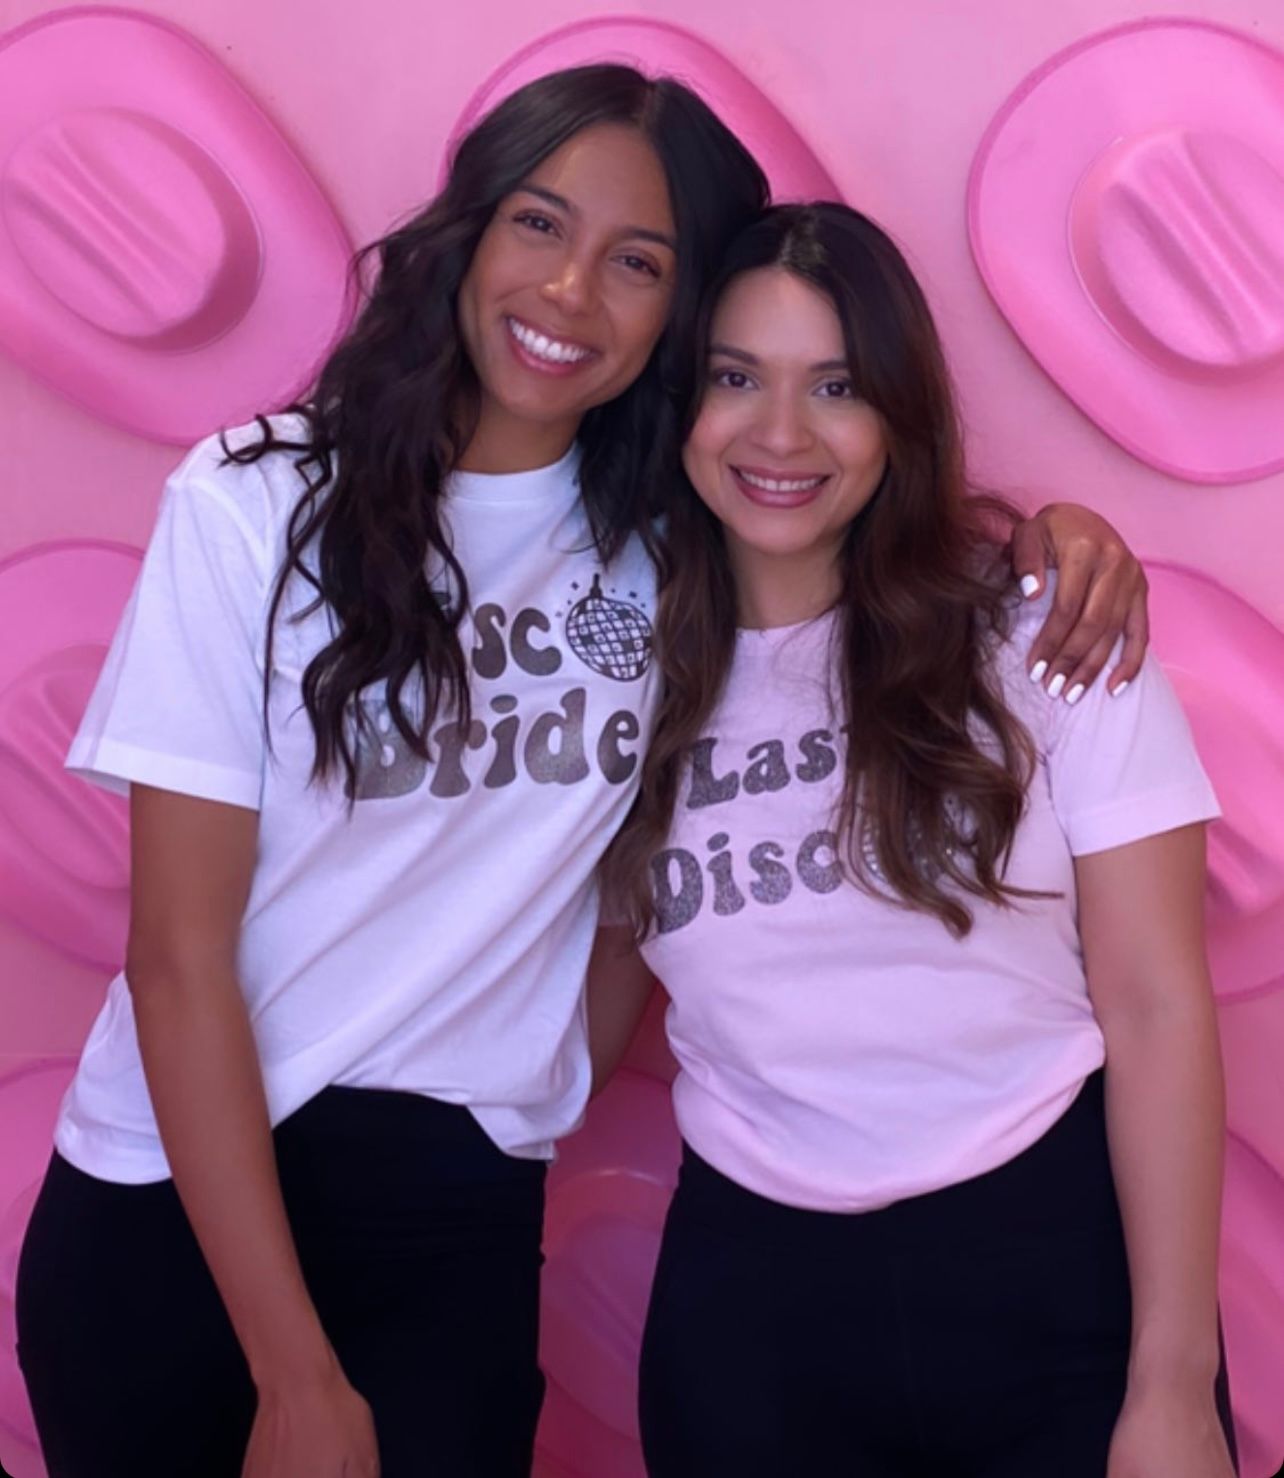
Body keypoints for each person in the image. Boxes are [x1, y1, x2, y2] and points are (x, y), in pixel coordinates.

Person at [17, 64, 1147, 1478]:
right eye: (540, 224)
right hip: (175, 1191)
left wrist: (1062, 535)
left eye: (638, 263)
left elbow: (864, 515)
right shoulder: (256, 501)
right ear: (473, 228)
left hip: (450, 1211)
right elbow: (177, 956)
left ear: (680, 312)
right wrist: (292, 1372)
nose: (568, 290)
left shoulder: (679, 541)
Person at [590, 203, 1238, 1478]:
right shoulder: (621, 681)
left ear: (900, 411)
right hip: (755, 1323)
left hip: (1052, 1279)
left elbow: (1160, 1004)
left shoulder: (1045, 636)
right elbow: (564, 1006)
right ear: (684, 405)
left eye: (836, 385)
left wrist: (1173, 1380)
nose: (781, 434)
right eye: (736, 377)